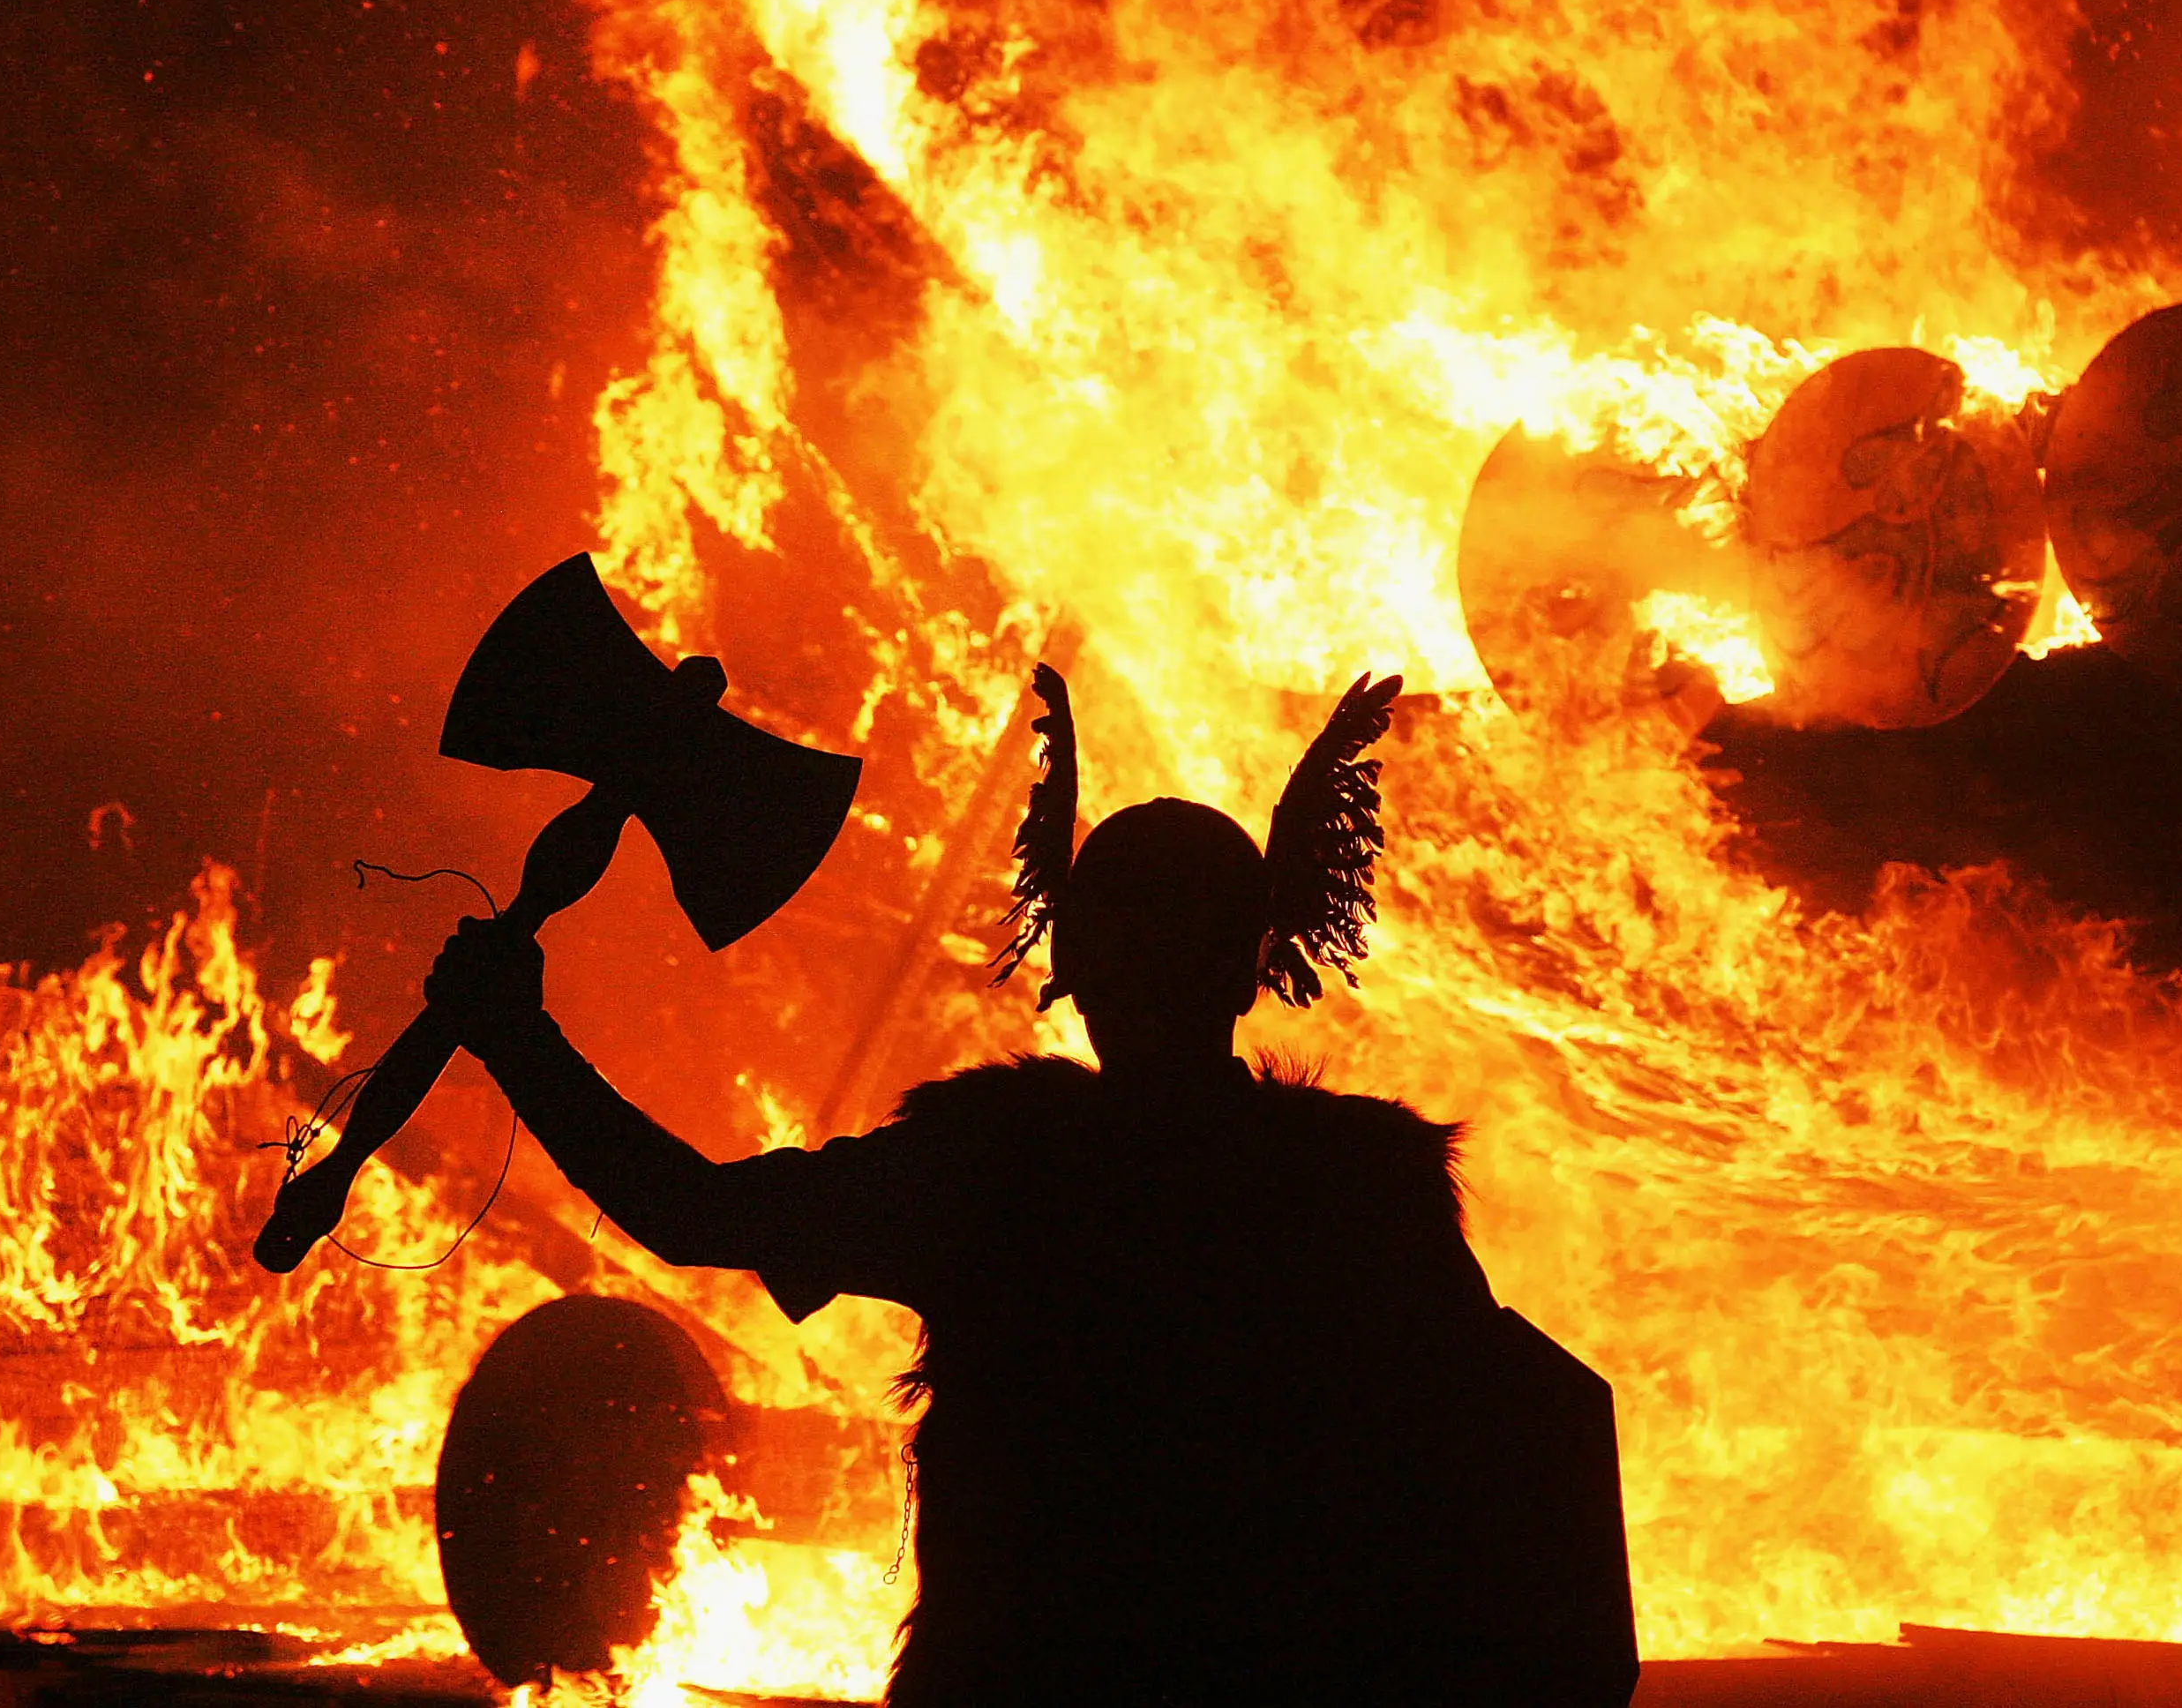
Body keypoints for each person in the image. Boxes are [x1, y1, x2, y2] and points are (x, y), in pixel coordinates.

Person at [422, 668, 1636, 1706]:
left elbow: (689, 1209)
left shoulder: (990, 1166)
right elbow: (1507, 1474)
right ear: (1252, 965)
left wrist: (515, 1034)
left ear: (1074, 966)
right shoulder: (1365, 1190)